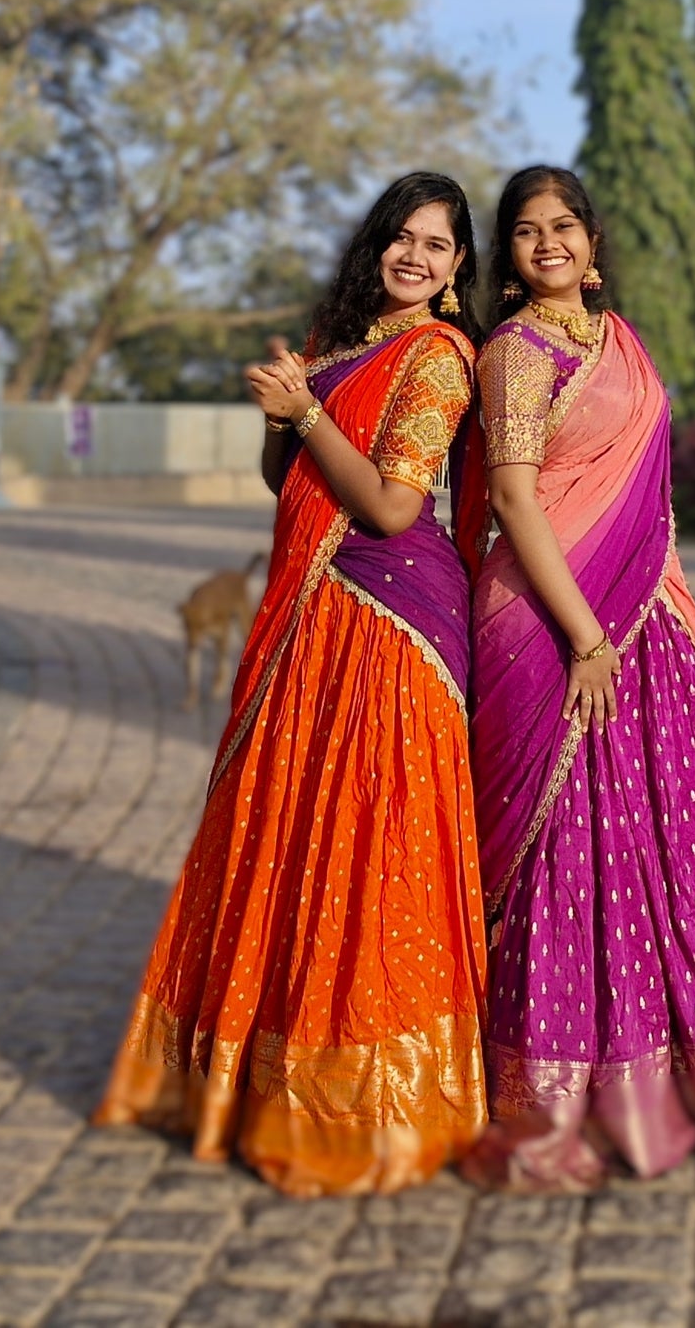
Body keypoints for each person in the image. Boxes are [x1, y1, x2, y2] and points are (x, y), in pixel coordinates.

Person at [456, 166, 695, 1190]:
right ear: (507, 257)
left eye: (564, 225)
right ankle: (554, 1094)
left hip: (643, 615)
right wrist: (588, 635)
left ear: (591, 242)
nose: (548, 242)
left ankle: (674, 1077)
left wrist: (672, 606)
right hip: (548, 623)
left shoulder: (618, 341)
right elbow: (512, 497)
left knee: (676, 837)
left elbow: (653, 496)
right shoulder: (513, 352)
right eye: (527, 231)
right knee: (567, 844)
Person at [93, 172, 489, 1197]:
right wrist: (286, 412)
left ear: (456, 270)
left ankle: (370, 1106)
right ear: (376, 243)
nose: (415, 256)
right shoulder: (337, 334)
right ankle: (258, 1078)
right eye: (402, 237)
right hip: (310, 614)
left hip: (392, 620)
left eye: (438, 246)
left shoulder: (440, 356)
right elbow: (293, 483)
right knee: (289, 826)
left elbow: (395, 507)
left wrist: (306, 410)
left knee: (373, 835)